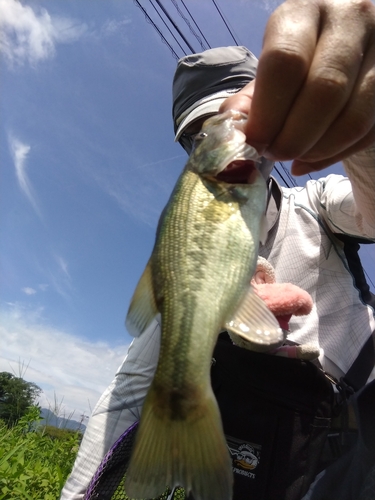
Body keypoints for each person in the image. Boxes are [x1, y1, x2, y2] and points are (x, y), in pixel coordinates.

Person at [60, 0, 375, 498]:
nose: (226, 131)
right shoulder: (182, 254)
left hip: (355, 447)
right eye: (196, 136)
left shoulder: (318, 202)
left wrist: (365, 142)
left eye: (244, 114)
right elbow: (132, 385)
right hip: (249, 458)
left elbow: (368, 209)